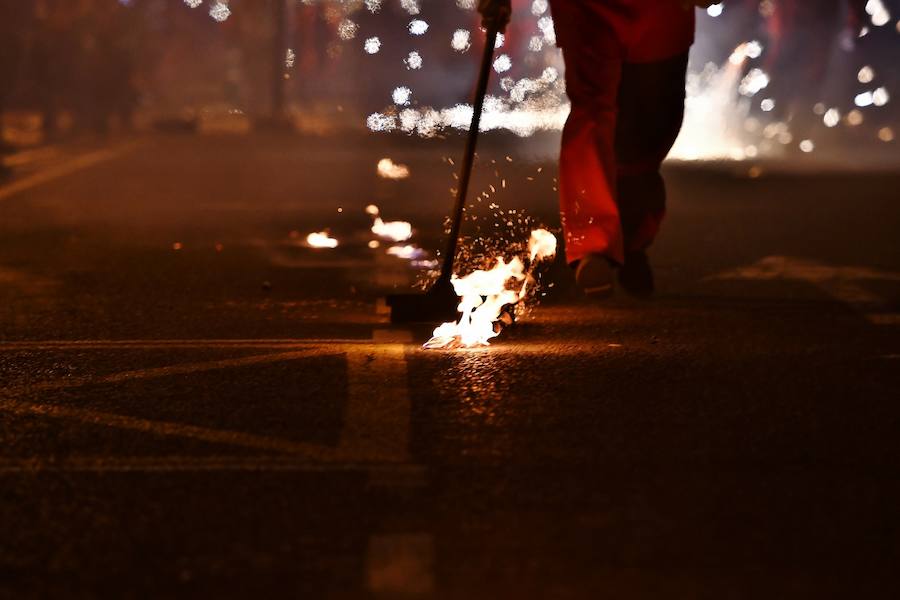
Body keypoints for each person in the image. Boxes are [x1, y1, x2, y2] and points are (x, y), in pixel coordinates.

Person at [479, 0, 715, 296]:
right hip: (587, 8)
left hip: (659, 10)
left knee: (651, 124)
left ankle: (632, 234)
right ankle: (594, 244)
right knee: (591, 108)